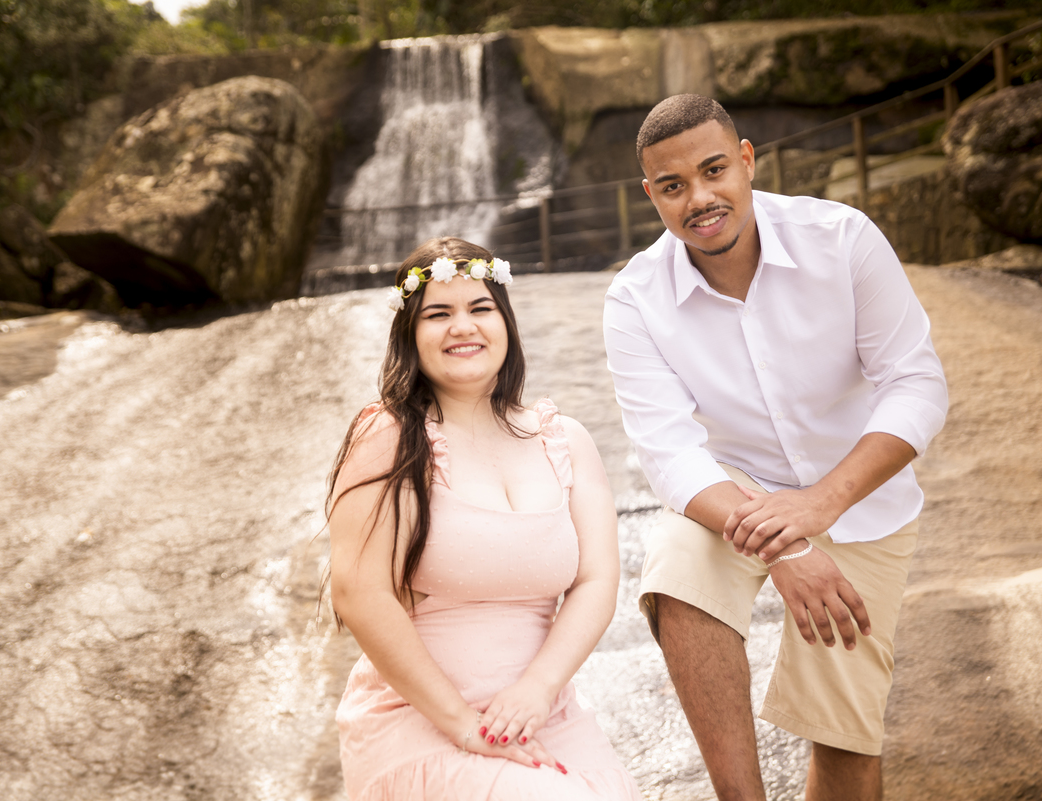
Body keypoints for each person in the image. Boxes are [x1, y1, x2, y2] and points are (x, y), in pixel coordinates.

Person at [603, 95, 948, 800]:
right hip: (740, 488)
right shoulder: (635, 298)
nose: (700, 199)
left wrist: (821, 504)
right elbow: (669, 454)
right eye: (673, 186)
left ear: (747, 160)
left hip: (860, 498)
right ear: (651, 194)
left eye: (714, 171)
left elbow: (916, 385)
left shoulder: (842, 238)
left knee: (844, 736)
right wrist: (786, 547)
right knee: (677, 572)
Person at [328, 236, 642, 801]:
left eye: (480, 308)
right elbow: (358, 592)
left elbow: (597, 579)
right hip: (420, 718)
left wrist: (539, 689)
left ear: (506, 322)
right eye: (438, 314)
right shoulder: (390, 436)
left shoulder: (565, 439)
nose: (462, 326)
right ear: (410, 333)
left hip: (542, 712)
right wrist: (463, 725)